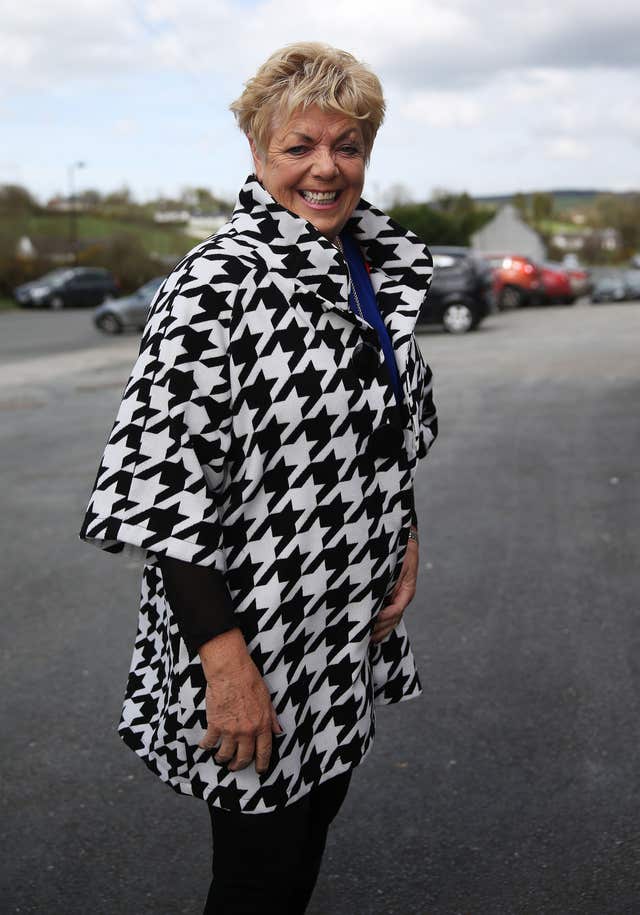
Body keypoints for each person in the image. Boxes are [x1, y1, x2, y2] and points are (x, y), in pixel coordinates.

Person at [79, 41, 438, 915]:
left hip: (341, 626)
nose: (326, 168)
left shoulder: (363, 268)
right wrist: (225, 666)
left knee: (311, 831)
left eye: (347, 146)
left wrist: (407, 541)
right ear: (257, 152)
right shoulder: (215, 286)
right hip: (252, 637)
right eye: (300, 147)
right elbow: (161, 487)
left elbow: (388, 431)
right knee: (256, 876)